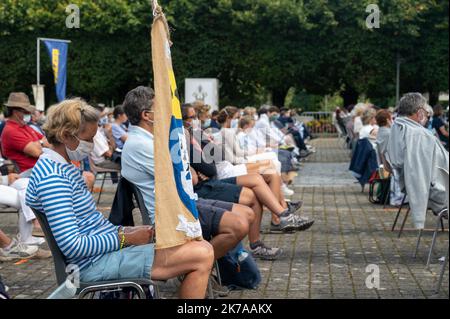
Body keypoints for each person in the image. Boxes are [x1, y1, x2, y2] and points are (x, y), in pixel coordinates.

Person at [26, 98, 214, 299]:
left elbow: (90, 225)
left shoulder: (60, 168)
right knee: (201, 254)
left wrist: (127, 231)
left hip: (96, 258)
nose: (92, 145)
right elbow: (73, 244)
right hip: (90, 265)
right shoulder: (53, 177)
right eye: (88, 139)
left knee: (196, 246)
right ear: (65, 136)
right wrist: (125, 238)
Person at [121, 86, 250, 263]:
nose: (167, 112)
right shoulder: (142, 144)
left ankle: (201, 265)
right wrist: (188, 164)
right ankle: (198, 264)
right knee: (239, 224)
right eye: (161, 108)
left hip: (184, 200)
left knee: (247, 213)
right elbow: (190, 176)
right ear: (146, 115)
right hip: (173, 211)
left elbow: (194, 170)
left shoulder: (152, 139)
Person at [386, 93, 449, 229]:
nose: (427, 117)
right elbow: (418, 175)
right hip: (440, 192)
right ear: (419, 112)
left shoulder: (397, 128)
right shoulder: (418, 135)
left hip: (425, 187)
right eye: (427, 114)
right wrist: (419, 218)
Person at [0, 92, 50, 172]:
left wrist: (36, 144)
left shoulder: (25, 126)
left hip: (39, 169)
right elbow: (36, 152)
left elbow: (49, 142)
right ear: (15, 112)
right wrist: (41, 143)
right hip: (27, 174)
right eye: (26, 112)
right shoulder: (10, 131)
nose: (29, 114)